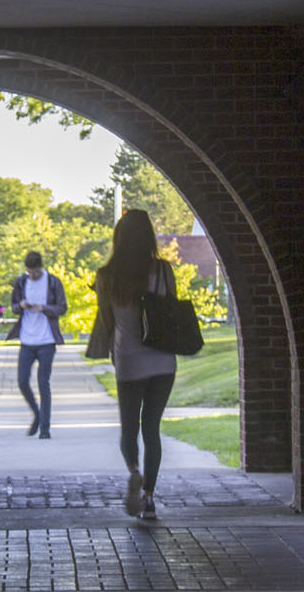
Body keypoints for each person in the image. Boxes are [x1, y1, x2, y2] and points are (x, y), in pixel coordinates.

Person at [84, 209, 178, 521]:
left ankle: (134, 471)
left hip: (129, 358)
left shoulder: (106, 276)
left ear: (118, 238)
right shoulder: (163, 271)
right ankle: (149, 498)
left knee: (129, 427)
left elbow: (107, 322)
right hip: (163, 359)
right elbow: (171, 312)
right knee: (152, 429)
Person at [7, 251, 66, 439]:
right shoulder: (22, 282)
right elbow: (13, 305)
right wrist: (22, 305)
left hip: (46, 340)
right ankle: (37, 415)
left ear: (41, 267)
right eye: (29, 272)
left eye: (35, 272)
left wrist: (44, 308)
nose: (32, 275)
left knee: (43, 383)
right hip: (27, 339)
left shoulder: (53, 282)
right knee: (22, 381)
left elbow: (62, 307)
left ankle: (45, 428)